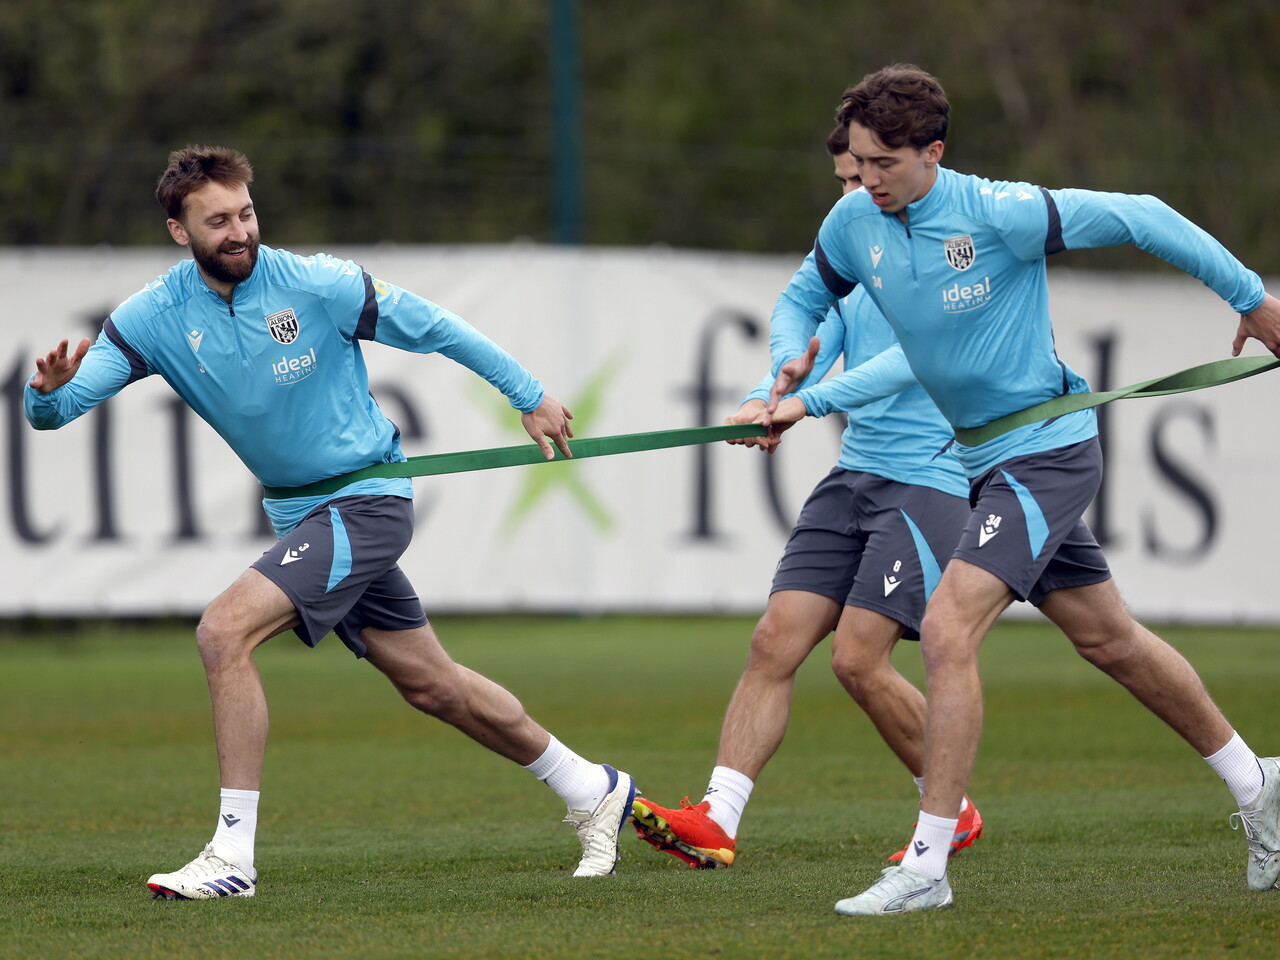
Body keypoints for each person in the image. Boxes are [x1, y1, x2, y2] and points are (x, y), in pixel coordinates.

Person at [24, 145, 637, 900]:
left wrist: (529, 392)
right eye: (218, 221)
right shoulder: (152, 317)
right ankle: (592, 788)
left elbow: (436, 326)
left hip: (368, 502)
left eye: (246, 212)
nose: (240, 230)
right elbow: (60, 410)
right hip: (302, 516)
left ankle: (232, 859)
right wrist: (45, 395)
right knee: (432, 684)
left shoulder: (317, 283)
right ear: (179, 232)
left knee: (223, 632)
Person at [766, 64, 1280, 916]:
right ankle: (1256, 782)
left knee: (944, 628)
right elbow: (800, 297)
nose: (868, 181)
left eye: (886, 163)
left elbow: (1143, 216)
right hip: (982, 464)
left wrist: (1251, 299)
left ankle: (927, 868)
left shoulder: (998, 213)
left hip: (1045, 452)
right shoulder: (857, 219)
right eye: (859, 161)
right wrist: (785, 363)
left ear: (933, 151)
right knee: (1110, 641)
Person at [630, 124, 982, 870]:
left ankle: (947, 808)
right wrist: (766, 397)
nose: (855, 196)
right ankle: (717, 820)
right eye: (844, 183)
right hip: (856, 471)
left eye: (866, 178)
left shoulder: (945, 254)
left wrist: (808, 404)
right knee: (773, 641)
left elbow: (909, 364)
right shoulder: (847, 247)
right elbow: (803, 339)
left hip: (930, 476)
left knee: (857, 659)